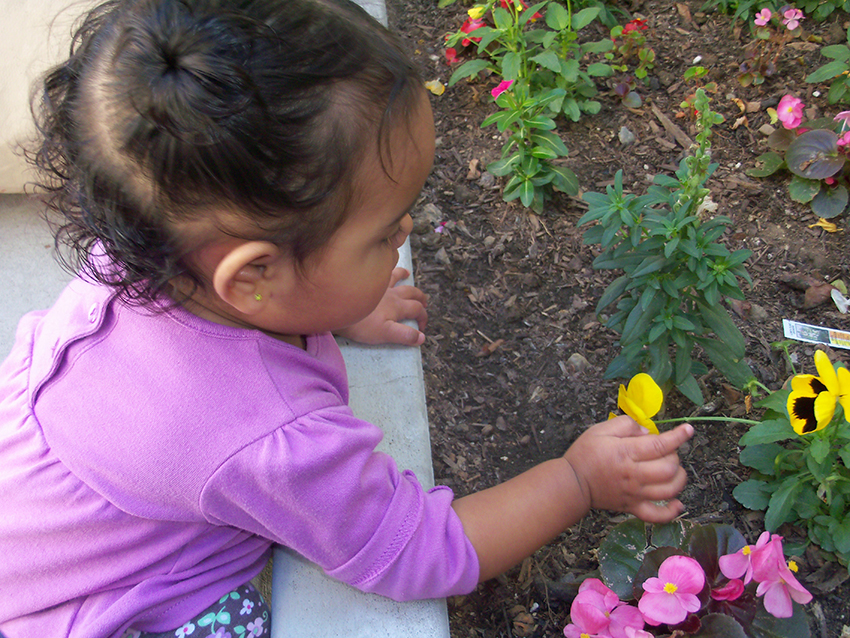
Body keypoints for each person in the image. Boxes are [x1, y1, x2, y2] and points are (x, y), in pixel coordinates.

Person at [0, 0, 694, 636]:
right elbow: (420, 550)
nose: (406, 232)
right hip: (68, 605)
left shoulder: (150, 242)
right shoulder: (275, 437)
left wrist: (333, 306)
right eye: (384, 233)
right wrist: (576, 480)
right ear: (254, 279)